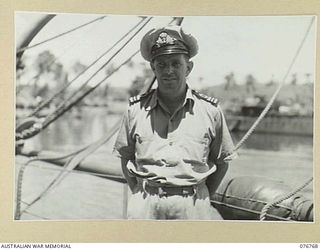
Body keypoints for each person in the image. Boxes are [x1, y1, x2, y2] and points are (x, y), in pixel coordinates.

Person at [113, 25, 237, 220]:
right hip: (145, 205)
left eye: (175, 63)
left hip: (193, 206)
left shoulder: (210, 111)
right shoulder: (135, 110)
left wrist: (200, 195)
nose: (168, 70)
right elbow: (125, 158)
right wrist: (144, 194)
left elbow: (222, 163)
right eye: (161, 64)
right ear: (153, 68)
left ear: (188, 67)